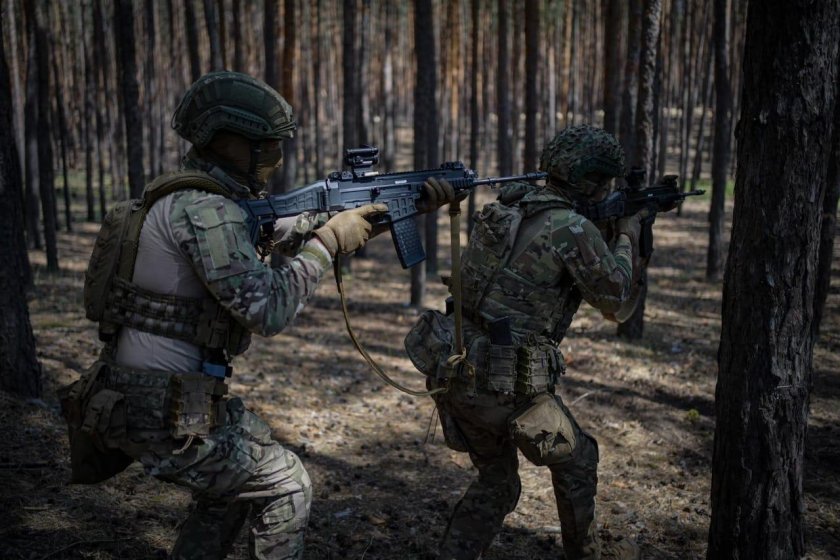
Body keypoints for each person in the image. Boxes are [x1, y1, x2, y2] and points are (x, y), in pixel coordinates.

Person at [60, 71, 458, 560]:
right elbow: (267, 310)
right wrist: (327, 242)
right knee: (286, 485)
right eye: (267, 145)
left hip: (138, 393)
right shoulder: (208, 211)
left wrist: (392, 211)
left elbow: (276, 233)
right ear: (229, 143)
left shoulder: (185, 199)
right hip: (158, 407)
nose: (276, 156)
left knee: (229, 490)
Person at [404, 125, 646, 560]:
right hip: (505, 384)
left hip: (458, 370)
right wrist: (626, 234)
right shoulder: (572, 227)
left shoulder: (508, 207)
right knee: (579, 459)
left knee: (498, 480)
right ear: (592, 180)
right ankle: (585, 553)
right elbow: (615, 298)